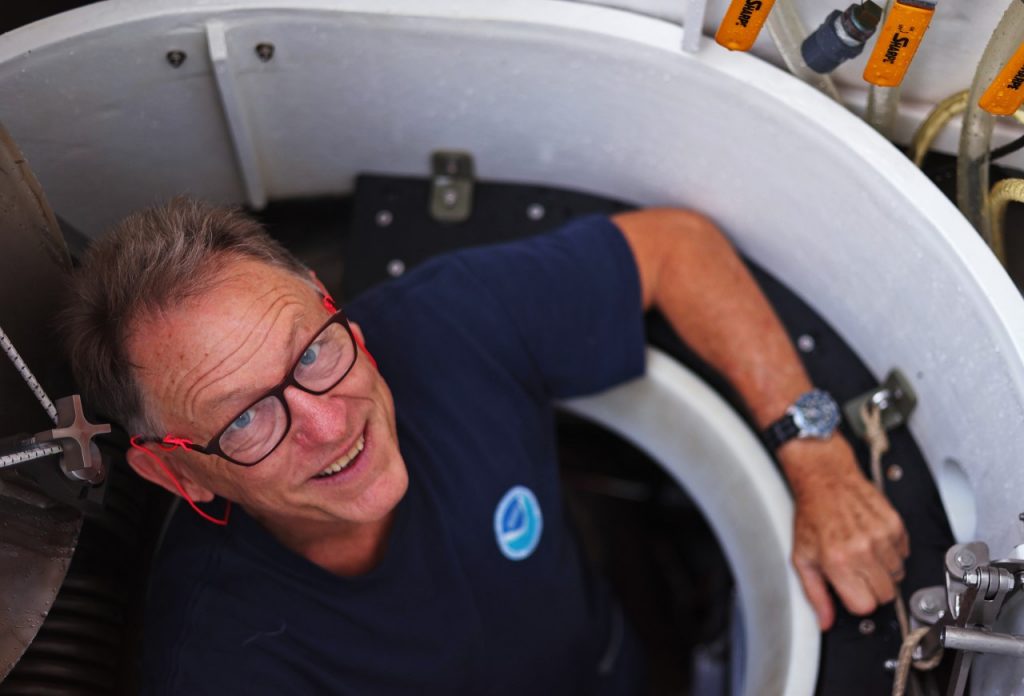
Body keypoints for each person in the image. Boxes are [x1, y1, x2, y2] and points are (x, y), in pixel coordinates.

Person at [62, 198, 908, 694]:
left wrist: (819, 458)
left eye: (313, 350)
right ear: (175, 470)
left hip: (617, 660)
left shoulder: (440, 328)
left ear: (328, 300)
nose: (330, 423)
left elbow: (677, 250)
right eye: (244, 417)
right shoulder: (222, 666)